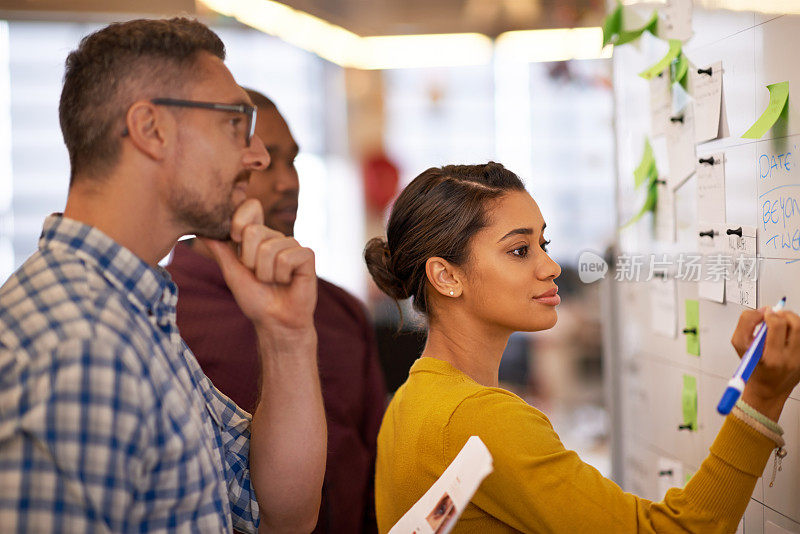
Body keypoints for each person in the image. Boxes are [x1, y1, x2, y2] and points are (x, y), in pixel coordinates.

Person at [0, 18, 327, 533]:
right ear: (151, 129)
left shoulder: (133, 312)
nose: (258, 155)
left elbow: (284, 514)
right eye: (235, 123)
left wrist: (286, 336)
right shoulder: (79, 348)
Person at [364, 162, 800, 533]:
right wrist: (761, 397)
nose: (550, 266)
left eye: (543, 244)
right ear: (446, 276)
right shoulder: (480, 417)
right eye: (519, 250)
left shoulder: (408, 402)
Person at [167, 89, 386, 533]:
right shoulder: (163, 313)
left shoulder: (339, 310)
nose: (288, 182)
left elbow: (377, 466)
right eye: (263, 165)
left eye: (292, 161)